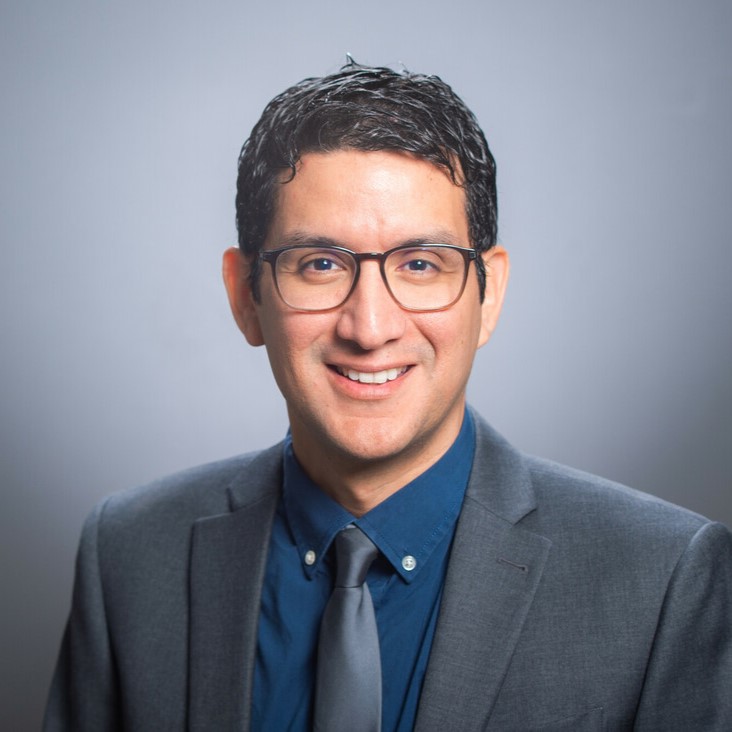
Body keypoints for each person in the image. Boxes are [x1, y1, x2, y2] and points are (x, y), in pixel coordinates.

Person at [44, 61, 732, 731]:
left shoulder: (663, 580)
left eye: (420, 264)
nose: (369, 327)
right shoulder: (130, 557)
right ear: (244, 296)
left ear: (487, 297)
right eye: (319, 264)